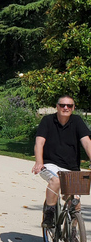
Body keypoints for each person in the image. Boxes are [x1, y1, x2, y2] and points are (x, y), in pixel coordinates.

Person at [32, 95, 91, 227]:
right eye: (62, 105)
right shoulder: (47, 121)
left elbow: (87, 142)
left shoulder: (77, 121)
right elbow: (39, 143)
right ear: (57, 107)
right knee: (56, 181)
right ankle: (49, 214)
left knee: (75, 203)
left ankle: (74, 232)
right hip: (49, 165)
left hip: (71, 168)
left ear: (73, 108)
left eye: (69, 105)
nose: (66, 108)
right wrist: (39, 162)